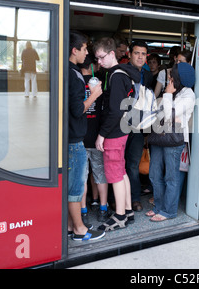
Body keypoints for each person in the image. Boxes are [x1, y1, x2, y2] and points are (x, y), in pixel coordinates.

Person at [94, 37, 141, 231]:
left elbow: (115, 110)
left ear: (112, 54)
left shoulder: (116, 76)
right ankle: (128, 210)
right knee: (121, 172)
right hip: (123, 130)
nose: (99, 62)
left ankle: (120, 216)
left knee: (114, 175)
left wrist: (101, 135)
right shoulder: (124, 73)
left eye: (101, 57)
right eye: (97, 58)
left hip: (114, 132)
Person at [146, 62, 195, 222]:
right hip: (159, 136)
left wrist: (167, 95)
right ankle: (159, 206)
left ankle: (169, 211)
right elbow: (162, 114)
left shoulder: (188, 95)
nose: (168, 77)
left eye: (171, 74)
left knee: (171, 177)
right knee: (154, 174)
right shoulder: (174, 92)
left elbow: (168, 114)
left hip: (174, 139)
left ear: (177, 77)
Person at [68, 31, 104, 241]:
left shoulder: (67, 71)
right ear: (75, 50)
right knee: (75, 187)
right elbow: (76, 110)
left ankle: (73, 225)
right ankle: (80, 230)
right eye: (84, 49)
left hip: (70, 137)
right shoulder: (74, 75)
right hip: (74, 140)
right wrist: (94, 96)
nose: (87, 53)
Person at [79, 52, 110, 223]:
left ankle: (83, 211)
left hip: (79, 138)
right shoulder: (100, 84)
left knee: (82, 177)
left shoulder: (75, 83)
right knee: (101, 175)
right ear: (93, 66)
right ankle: (103, 209)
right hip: (97, 138)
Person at [124, 40, 154, 212]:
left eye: (143, 54)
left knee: (133, 165)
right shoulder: (121, 72)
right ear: (130, 54)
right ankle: (117, 200)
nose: (140, 57)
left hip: (138, 128)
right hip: (119, 126)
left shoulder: (147, 76)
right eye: (137, 53)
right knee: (118, 165)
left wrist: (146, 132)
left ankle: (134, 199)